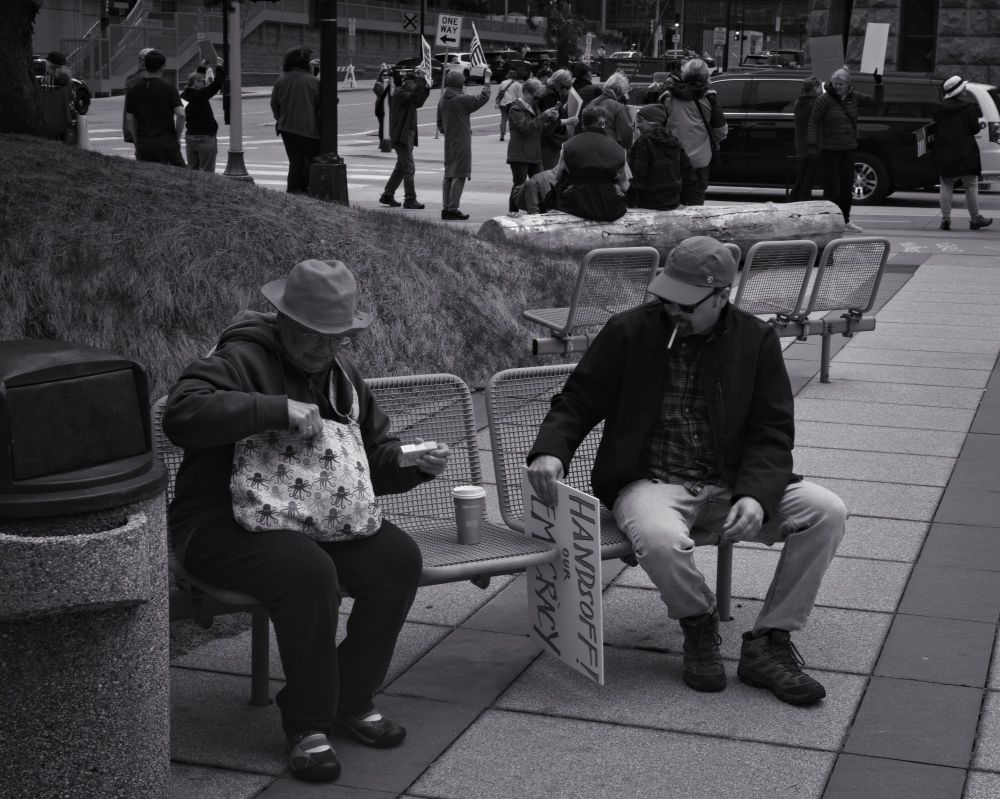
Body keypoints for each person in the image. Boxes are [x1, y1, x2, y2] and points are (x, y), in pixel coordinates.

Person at [163, 259, 452, 784]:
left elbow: (371, 463)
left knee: (397, 559)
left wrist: (411, 464)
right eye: (312, 337)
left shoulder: (342, 377)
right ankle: (307, 722)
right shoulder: (240, 356)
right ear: (282, 321)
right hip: (216, 520)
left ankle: (350, 696)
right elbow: (181, 415)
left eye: (337, 338)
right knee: (307, 571)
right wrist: (273, 409)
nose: (324, 350)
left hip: (314, 514)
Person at [527, 236, 846, 706]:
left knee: (827, 511)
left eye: (686, 304)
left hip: (733, 481)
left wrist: (755, 495)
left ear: (722, 295)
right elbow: (577, 400)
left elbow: (772, 430)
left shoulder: (753, 339)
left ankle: (769, 642)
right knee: (658, 538)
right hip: (651, 480)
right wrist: (551, 450)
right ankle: (698, 624)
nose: (673, 310)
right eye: (665, 298)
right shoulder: (629, 331)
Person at [807, 66, 883, 232]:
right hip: (829, 149)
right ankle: (829, 221)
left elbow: (876, 104)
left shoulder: (854, 97)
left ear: (848, 84)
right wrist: (812, 145)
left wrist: (879, 84)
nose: (837, 87)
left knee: (847, 187)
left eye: (840, 84)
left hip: (848, 148)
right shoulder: (824, 99)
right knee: (832, 188)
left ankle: (845, 219)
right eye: (835, 83)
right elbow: (813, 122)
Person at [659, 58, 727, 206]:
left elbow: (658, 128)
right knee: (695, 208)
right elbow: (721, 130)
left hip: (673, 160)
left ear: (685, 75)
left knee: (671, 206)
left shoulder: (668, 97)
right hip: (699, 163)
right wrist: (712, 142)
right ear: (705, 76)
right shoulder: (709, 98)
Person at [932, 75, 993, 231]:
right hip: (966, 151)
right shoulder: (967, 108)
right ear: (959, 91)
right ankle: (975, 218)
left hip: (945, 151)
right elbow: (974, 128)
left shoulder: (938, 108)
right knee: (971, 185)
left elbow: (936, 126)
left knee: (946, 185)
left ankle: (945, 219)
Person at [554, 105, 630, 221]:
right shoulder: (619, 149)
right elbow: (624, 186)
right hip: (609, 206)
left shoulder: (568, 146)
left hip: (575, 203)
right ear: (603, 123)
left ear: (583, 124)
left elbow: (558, 176)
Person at [437, 68, 492, 220]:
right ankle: (453, 208)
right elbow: (483, 97)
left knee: (449, 174)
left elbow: (440, 123)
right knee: (460, 174)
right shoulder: (461, 99)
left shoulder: (443, 98)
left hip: (449, 142)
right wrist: (487, 79)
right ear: (460, 83)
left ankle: (446, 207)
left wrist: (449, 131)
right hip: (462, 141)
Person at [626, 104, 698, 210]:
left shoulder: (644, 142)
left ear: (652, 122)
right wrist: (684, 200)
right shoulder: (674, 141)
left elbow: (636, 177)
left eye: (641, 121)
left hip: (649, 202)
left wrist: (630, 204)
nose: (638, 126)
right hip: (673, 201)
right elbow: (688, 173)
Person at [270, 47, 321, 194]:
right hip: (308, 130)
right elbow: (321, 105)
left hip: (286, 128)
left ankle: (293, 190)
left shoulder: (282, 79)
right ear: (305, 63)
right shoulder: (312, 81)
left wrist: (280, 118)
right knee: (314, 160)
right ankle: (306, 189)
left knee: (295, 161)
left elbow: (274, 104)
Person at [124, 49, 186, 167]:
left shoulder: (133, 90)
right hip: (166, 142)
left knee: (148, 179)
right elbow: (181, 114)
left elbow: (129, 118)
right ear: (163, 67)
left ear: (145, 66)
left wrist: (136, 140)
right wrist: (176, 137)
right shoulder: (168, 88)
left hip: (144, 143)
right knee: (179, 175)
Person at [506, 77, 559, 213]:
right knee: (518, 187)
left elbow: (544, 131)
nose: (537, 100)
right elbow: (526, 128)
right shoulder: (515, 109)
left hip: (535, 154)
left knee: (542, 185)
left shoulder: (534, 108)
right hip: (520, 155)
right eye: (536, 97)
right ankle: (513, 213)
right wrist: (542, 117)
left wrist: (552, 120)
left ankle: (540, 213)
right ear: (527, 93)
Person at [379, 70, 431, 210]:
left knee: (401, 167)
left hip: (407, 134)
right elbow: (413, 96)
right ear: (408, 82)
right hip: (401, 136)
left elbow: (418, 101)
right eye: (414, 83)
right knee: (409, 167)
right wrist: (421, 82)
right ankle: (410, 199)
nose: (415, 86)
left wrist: (426, 89)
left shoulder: (408, 94)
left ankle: (387, 195)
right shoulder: (400, 93)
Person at [181, 61, 225, 173]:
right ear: (196, 83)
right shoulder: (199, 95)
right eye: (203, 82)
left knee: (192, 172)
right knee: (206, 173)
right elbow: (217, 84)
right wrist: (219, 66)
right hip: (205, 138)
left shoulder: (184, 95)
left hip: (190, 137)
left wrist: (202, 66)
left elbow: (196, 78)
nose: (205, 84)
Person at [789, 76, 821, 202]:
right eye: (819, 87)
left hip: (801, 145)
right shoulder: (815, 103)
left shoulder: (799, 102)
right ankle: (800, 203)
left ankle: (793, 201)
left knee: (801, 179)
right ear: (815, 88)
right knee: (807, 181)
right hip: (812, 145)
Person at [537, 69, 577, 169]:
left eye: (568, 88)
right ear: (557, 83)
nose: (565, 91)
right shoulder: (550, 96)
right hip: (548, 142)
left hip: (545, 140)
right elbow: (549, 121)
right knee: (549, 172)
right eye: (564, 87)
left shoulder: (546, 90)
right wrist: (569, 121)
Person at [587, 71, 634, 151]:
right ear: (620, 91)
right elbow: (626, 134)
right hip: (611, 149)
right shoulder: (618, 107)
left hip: (592, 147)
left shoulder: (592, 103)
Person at [37, 51, 76, 142]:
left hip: (46, 125)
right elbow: (72, 106)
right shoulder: (69, 84)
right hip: (64, 126)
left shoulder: (43, 82)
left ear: (49, 65)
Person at [123, 47, 154, 143]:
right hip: (149, 127)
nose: (142, 62)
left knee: (140, 153)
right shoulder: (150, 78)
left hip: (132, 124)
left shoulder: (131, 79)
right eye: (141, 59)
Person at [496, 69, 520, 142]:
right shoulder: (517, 84)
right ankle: (513, 135)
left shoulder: (503, 82)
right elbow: (520, 96)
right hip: (512, 103)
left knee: (503, 118)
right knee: (512, 120)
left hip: (502, 103)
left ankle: (502, 135)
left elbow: (498, 93)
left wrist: (497, 102)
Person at [373, 64, 392, 148]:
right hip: (380, 108)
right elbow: (382, 95)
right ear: (380, 76)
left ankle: (388, 141)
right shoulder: (378, 85)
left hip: (388, 108)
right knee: (382, 125)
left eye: (387, 75)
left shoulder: (390, 84)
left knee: (388, 125)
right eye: (384, 75)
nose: (386, 77)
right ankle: (382, 143)